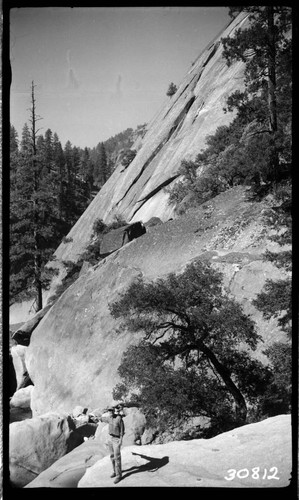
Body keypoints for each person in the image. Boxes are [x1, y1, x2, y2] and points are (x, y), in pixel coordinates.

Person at [99, 404, 125, 484]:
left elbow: (122, 430)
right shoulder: (109, 418)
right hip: (110, 438)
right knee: (112, 456)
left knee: (117, 457)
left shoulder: (119, 418)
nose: (110, 412)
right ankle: (115, 471)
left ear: (114, 411)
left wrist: (121, 440)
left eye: (111, 410)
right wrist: (97, 418)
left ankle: (118, 476)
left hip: (116, 439)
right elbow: (103, 419)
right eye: (109, 411)